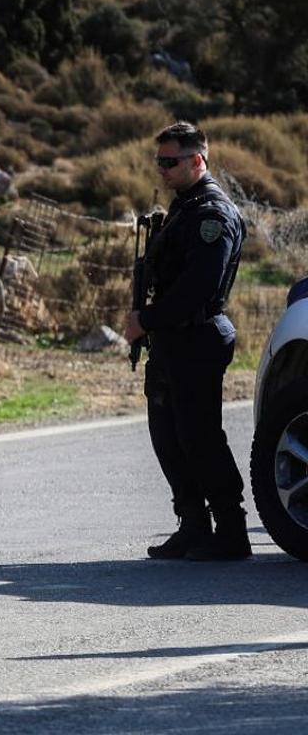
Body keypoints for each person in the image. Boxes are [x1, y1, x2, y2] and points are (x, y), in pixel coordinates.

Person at [123, 121, 248, 561]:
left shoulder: (211, 215)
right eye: (159, 161)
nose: (162, 170)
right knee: (168, 435)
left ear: (197, 161)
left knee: (200, 437)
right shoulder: (183, 206)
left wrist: (147, 319)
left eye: (170, 162)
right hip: (171, 341)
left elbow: (198, 286)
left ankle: (231, 529)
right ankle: (193, 523)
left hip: (195, 336)